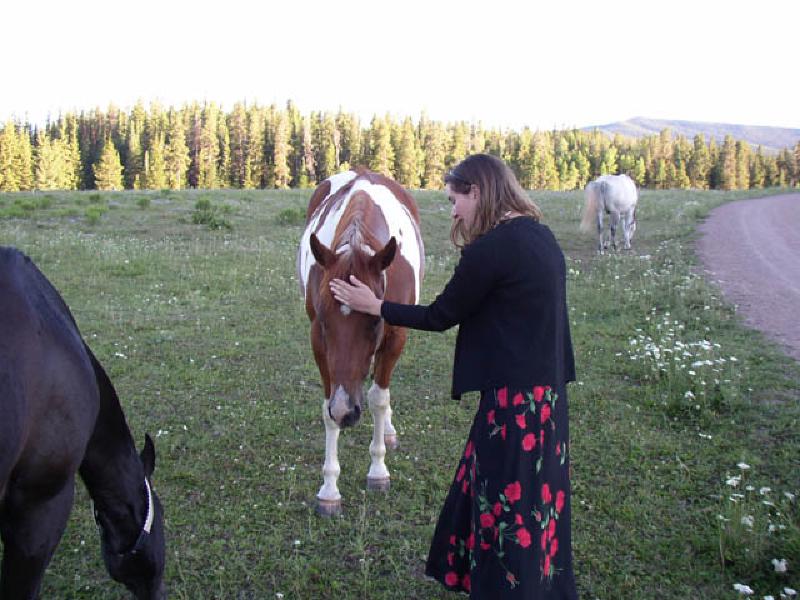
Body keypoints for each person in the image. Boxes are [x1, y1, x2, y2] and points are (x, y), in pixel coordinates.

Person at [329, 154, 578, 599]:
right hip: (548, 400)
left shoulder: (491, 249)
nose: (453, 212)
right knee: (539, 506)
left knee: (506, 509)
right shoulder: (542, 237)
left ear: (477, 192)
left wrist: (376, 306)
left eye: (454, 200)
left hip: (512, 405)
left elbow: (441, 315)